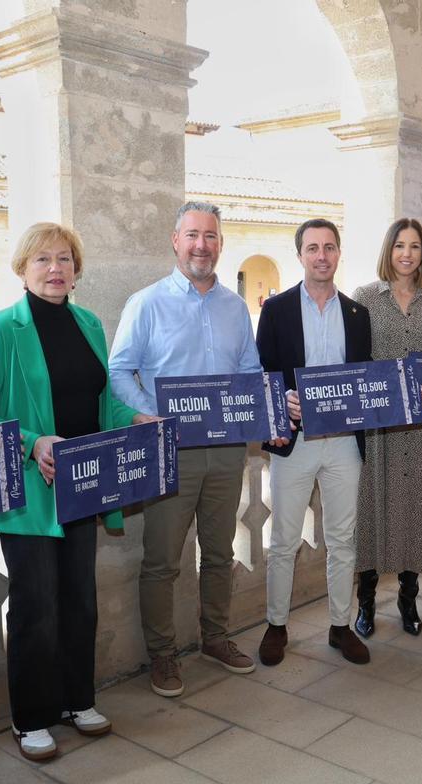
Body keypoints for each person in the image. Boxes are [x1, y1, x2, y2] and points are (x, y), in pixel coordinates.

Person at [0, 223, 151, 760]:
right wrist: (31, 442)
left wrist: (135, 417)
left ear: (76, 269)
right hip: (29, 493)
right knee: (35, 606)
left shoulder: (89, 323)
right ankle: (31, 718)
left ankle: (77, 700)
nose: (55, 268)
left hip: (83, 486)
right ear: (22, 269)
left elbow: (102, 401)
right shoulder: (0, 329)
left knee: (79, 601)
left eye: (65, 259)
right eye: (42, 259)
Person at [109, 201, 262, 696]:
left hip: (227, 450)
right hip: (170, 451)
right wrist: (148, 415)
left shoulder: (235, 307)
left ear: (220, 244)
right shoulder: (146, 303)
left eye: (210, 236)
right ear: (176, 241)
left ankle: (215, 637)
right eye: (192, 235)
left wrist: (263, 409)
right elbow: (119, 370)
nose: (201, 245)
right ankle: (163, 655)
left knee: (219, 552)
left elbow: (250, 372)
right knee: (162, 561)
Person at [255, 218, 372, 666]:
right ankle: (276, 625)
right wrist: (281, 399)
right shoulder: (276, 309)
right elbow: (262, 373)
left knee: (343, 539)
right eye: (312, 248)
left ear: (339, 253)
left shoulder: (358, 315)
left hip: (343, 444)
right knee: (284, 539)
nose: (321, 256)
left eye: (329, 247)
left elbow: (364, 375)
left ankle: (340, 627)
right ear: (300, 254)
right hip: (296, 441)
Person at [352, 218, 422, 638]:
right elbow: (356, 362)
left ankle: (408, 600)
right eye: (399, 246)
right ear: (388, 250)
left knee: (416, 509)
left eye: (414, 246)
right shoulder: (364, 297)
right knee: (374, 510)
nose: (407, 254)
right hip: (380, 427)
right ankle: (366, 603)